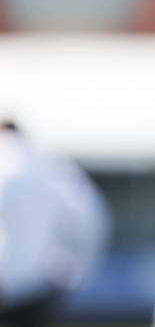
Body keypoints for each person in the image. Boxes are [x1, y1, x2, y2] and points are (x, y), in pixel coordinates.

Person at [0, 121, 109, 327]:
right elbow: (89, 219)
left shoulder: (9, 165)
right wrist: (75, 271)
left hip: (10, 287)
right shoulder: (53, 167)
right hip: (41, 288)